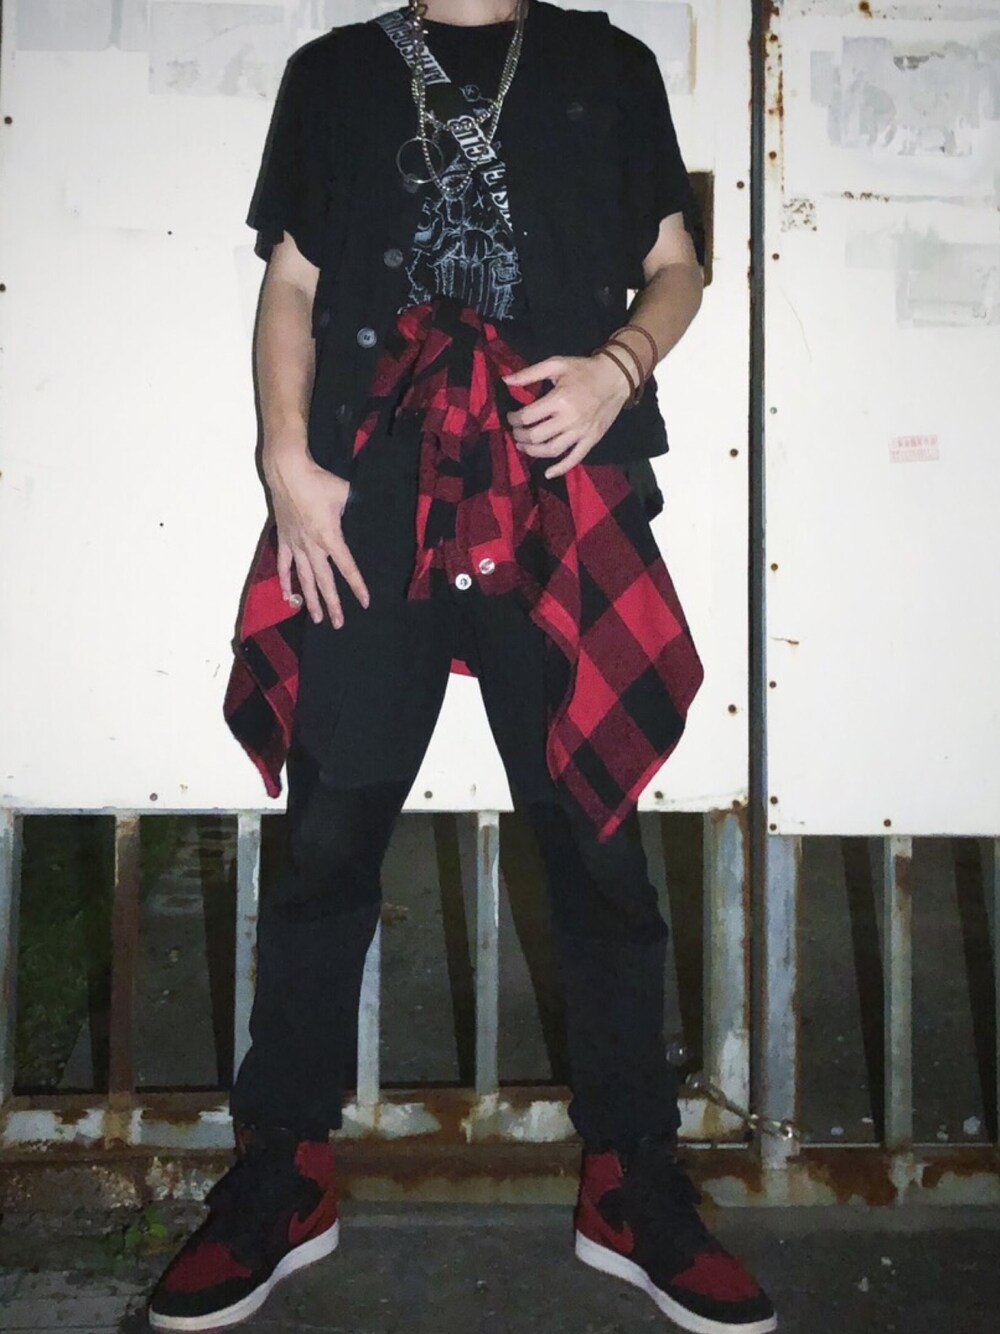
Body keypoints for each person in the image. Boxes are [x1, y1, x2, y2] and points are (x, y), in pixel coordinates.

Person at [148, 3, 776, 1332]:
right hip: (371, 493)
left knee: (595, 843)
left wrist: (620, 366)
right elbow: (295, 282)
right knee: (327, 833)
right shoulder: (334, 74)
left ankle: (630, 1179)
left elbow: (678, 267)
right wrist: (285, 461)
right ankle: (284, 1170)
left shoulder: (611, 65)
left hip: (556, 479)